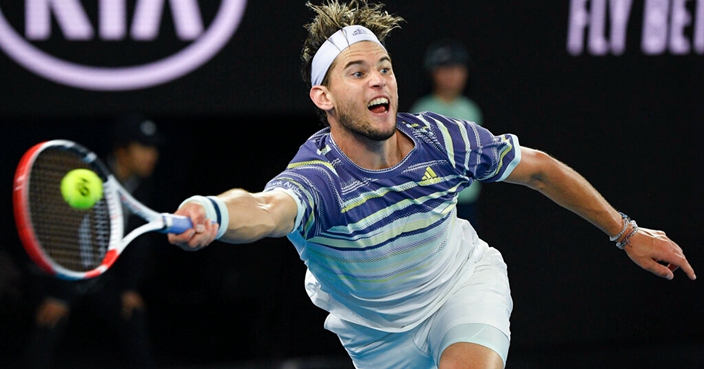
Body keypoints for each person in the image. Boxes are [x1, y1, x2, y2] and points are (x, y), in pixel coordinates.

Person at [167, 1, 697, 368]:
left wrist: (626, 233)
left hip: (459, 287)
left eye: (385, 67)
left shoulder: (443, 140)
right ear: (322, 97)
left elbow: (536, 168)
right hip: (375, 337)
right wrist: (216, 212)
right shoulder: (321, 180)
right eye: (356, 72)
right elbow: (266, 209)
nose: (378, 80)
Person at [22, 114, 162, 369]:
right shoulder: (88, 180)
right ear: (121, 150)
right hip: (62, 273)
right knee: (49, 321)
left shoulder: (142, 184)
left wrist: (129, 287)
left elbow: (140, 244)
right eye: (143, 147)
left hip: (100, 277)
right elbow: (62, 240)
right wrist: (59, 295)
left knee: (134, 314)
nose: (151, 155)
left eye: (153, 147)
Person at [410, 39, 484, 228]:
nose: (451, 75)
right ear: (432, 72)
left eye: (457, 68)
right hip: (432, 201)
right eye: (444, 69)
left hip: (466, 200)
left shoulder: (471, 110)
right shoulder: (422, 111)